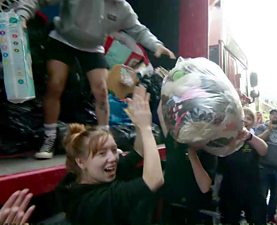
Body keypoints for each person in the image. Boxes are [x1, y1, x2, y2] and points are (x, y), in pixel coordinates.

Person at [16, 0, 176, 159]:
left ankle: (105, 139)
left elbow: (138, 29)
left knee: (101, 91)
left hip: (92, 47)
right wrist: (22, 15)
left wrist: (156, 45)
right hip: (63, 39)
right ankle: (49, 138)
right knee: (55, 83)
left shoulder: (123, 8)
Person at [55, 85, 164, 224]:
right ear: (81, 162)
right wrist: (146, 128)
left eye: (113, 150)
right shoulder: (94, 201)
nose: (112, 158)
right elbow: (154, 180)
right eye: (101, 153)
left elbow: (139, 152)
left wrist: (139, 125)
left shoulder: (91, 176)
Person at [157, 103, 218, 225]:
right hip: (171, 207)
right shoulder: (173, 139)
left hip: (195, 211)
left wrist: (192, 154)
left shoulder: (207, 149)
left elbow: (205, 186)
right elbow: (161, 112)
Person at [218, 107, 268, 225]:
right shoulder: (224, 138)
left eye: (249, 118)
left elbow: (264, 150)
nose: (245, 119)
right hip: (230, 192)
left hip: (253, 191)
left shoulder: (252, 139)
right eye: (242, 116)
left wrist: (249, 137)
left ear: (253, 123)